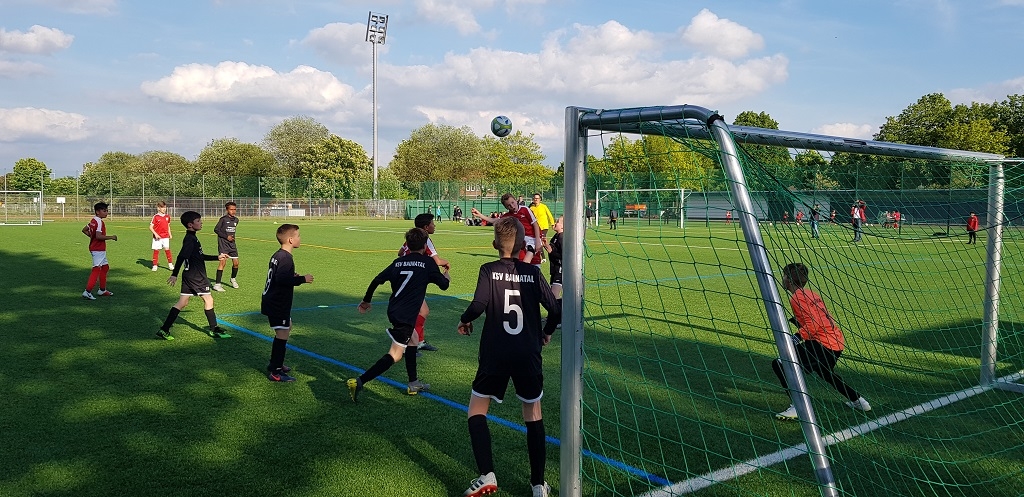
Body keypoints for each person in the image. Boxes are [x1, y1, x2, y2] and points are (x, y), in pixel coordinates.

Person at [457, 217, 560, 497]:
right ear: (523, 245)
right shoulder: (533, 273)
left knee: (477, 411)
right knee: (533, 414)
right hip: (527, 352)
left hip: (495, 352)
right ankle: (538, 485)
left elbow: (478, 304)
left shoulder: (488, 270)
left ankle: (486, 475)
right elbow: (555, 309)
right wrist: (546, 333)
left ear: (494, 244)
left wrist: (464, 319)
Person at [347, 228, 451, 401]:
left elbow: (377, 280)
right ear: (425, 246)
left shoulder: (398, 262)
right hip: (406, 315)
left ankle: (413, 383)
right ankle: (359, 381)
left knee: (414, 339)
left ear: (407, 245)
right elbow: (444, 286)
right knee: (395, 354)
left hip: (395, 309)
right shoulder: (427, 263)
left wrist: (366, 300)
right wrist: (446, 275)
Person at [771, 262, 871, 420]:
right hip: (835, 342)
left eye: (784, 275)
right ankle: (859, 401)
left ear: (788, 279)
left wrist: (796, 337)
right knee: (825, 372)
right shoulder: (811, 294)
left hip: (823, 344)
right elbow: (819, 319)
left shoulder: (797, 298)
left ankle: (798, 407)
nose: (782, 278)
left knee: (781, 363)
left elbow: (814, 323)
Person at [156, 211, 230, 340]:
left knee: (182, 302)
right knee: (208, 299)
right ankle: (214, 329)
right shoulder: (190, 239)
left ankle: (164, 329)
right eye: (198, 221)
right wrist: (174, 274)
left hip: (189, 275)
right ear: (190, 224)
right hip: (196, 276)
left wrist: (217, 257)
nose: (201, 223)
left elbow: (199, 256)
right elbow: (181, 256)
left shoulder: (191, 238)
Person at [261, 224, 314, 382]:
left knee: (287, 327)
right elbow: (282, 279)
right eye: (298, 236)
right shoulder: (286, 258)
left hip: (273, 299)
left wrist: (292, 276)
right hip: (277, 302)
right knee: (282, 334)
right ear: (290, 240)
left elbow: (280, 276)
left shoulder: (278, 255)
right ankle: (275, 371)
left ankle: (276, 363)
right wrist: (302, 279)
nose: (300, 238)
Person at [398, 213, 450, 354]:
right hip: (412, 281)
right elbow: (437, 261)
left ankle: (419, 342)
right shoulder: (425, 239)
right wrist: (446, 263)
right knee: (414, 314)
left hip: (405, 277)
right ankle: (407, 345)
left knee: (423, 311)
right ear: (426, 227)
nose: (434, 225)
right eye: (433, 223)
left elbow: (400, 253)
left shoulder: (412, 238)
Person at [470, 193, 544, 266]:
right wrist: (480, 215)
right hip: (521, 240)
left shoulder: (525, 209)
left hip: (533, 238)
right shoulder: (508, 216)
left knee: (532, 260)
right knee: (520, 261)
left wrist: (537, 240)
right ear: (506, 207)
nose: (512, 206)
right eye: (509, 205)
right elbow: (495, 220)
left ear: (516, 200)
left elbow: (535, 224)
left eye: (513, 202)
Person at [81, 202, 118, 300]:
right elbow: (98, 236)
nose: (106, 213)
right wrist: (111, 237)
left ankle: (102, 290)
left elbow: (84, 230)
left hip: (96, 248)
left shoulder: (93, 220)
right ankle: (87, 291)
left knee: (105, 268)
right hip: (98, 249)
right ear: (97, 212)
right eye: (104, 211)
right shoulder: (99, 222)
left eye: (107, 211)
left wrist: (91, 237)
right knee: (96, 269)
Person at [214, 202, 240, 291]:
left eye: (234, 209)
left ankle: (233, 279)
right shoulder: (223, 219)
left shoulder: (236, 220)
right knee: (223, 263)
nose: (233, 211)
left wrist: (231, 238)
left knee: (236, 263)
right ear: (227, 210)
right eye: (231, 209)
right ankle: (217, 284)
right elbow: (216, 230)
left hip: (232, 245)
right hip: (223, 244)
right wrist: (226, 237)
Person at [149, 201, 174, 272]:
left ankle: (170, 265)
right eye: (162, 207)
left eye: (165, 207)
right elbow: (151, 227)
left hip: (165, 236)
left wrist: (170, 234)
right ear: (158, 208)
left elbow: (168, 226)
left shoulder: (167, 217)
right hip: (157, 238)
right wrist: (156, 234)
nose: (164, 209)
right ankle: (154, 265)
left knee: (167, 249)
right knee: (156, 251)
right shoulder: (155, 217)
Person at [529, 193, 555, 259]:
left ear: (540, 199)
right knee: (538, 242)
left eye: (537, 198)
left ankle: (548, 255)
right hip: (536, 228)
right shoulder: (531, 208)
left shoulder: (544, 206)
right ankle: (543, 257)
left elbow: (549, 215)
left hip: (544, 227)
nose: (536, 199)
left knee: (542, 241)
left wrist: (552, 224)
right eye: (534, 198)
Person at [548, 216, 564, 303]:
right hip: (554, 268)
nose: (555, 223)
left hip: (560, 269)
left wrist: (551, 251)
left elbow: (564, 255)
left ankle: (562, 309)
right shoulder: (556, 236)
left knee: (554, 295)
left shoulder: (562, 237)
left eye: (557, 222)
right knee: (552, 295)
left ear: (563, 226)